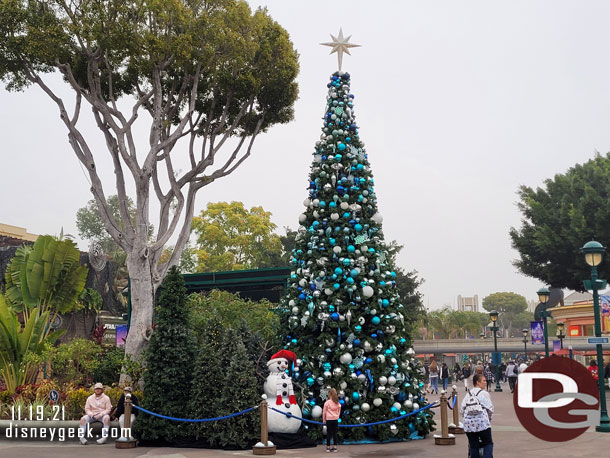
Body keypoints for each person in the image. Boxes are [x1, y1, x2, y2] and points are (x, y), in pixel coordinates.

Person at [460, 373, 494, 458]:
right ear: (477, 382)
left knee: (473, 445)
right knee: (488, 443)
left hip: (469, 424)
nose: (485, 382)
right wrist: (489, 419)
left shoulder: (468, 394)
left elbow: (462, 410)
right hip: (482, 423)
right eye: (483, 381)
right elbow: (490, 409)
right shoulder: (484, 394)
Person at [323, 388, 341, 452]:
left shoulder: (327, 402)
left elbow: (324, 412)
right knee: (334, 433)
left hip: (329, 419)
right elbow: (339, 410)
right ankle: (335, 447)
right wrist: (337, 416)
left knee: (329, 433)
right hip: (335, 419)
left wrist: (324, 420)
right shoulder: (337, 402)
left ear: (329, 394)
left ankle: (328, 447)